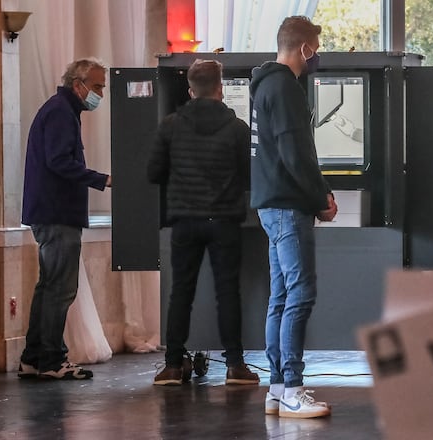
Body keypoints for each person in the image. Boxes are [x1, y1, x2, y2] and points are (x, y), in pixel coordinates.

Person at [147, 59, 259, 387]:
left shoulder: (170, 125)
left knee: (181, 292)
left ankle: (172, 366)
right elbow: (249, 175)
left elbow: (153, 172)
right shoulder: (237, 128)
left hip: (185, 220)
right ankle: (235, 366)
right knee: (228, 292)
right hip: (224, 220)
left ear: (190, 89)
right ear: (220, 88)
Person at [250, 15, 337, 419]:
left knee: (281, 297)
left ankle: (277, 388)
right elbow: (296, 153)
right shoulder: (285, 87)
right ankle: (292, 389)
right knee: (300, 294)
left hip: (272, 204)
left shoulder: (265, 85)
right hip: (288, 206)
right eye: (314, 49)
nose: (315, 57)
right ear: (304, 48)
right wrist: (320, 198)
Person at [19, 58, 111, 380]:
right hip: (57, 212)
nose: (100, 94)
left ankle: (33, 358)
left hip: (49, 211)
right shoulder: (61, 112)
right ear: (78, 84)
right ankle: (51, 361)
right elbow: (59, 161)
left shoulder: (60, 109)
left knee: (49, 286)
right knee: (60, 288)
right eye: (97, 86)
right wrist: (103, 180)